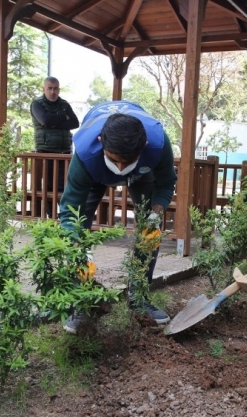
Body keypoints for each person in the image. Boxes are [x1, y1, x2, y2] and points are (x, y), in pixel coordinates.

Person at [58, 100, 177, 333]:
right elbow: (70, 207)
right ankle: (81, 302)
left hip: (142, 173)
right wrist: (77, 244)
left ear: (143, 145)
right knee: (77, 233)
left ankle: (139, 299)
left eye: (126, 161)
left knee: (149, 233)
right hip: (95, 172)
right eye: (114, 160)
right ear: (101, 142)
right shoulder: (86, 155)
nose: (121, 168)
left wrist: (154, 216)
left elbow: (166, 184)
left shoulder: (157, 145)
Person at [30, 76, 79, 216]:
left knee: (65, 187)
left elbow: (75, 123)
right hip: (46, 152)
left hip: (65, 152)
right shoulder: (37, 104)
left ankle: (64, 217)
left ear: (59, 89)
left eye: (55, 88)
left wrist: (53, 122)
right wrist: (64, 118)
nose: (53, 92)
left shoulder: (64, 104)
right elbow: (45, 120)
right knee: (49, 187)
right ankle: (50, 218)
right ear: (43, 89)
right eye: (50, 88)